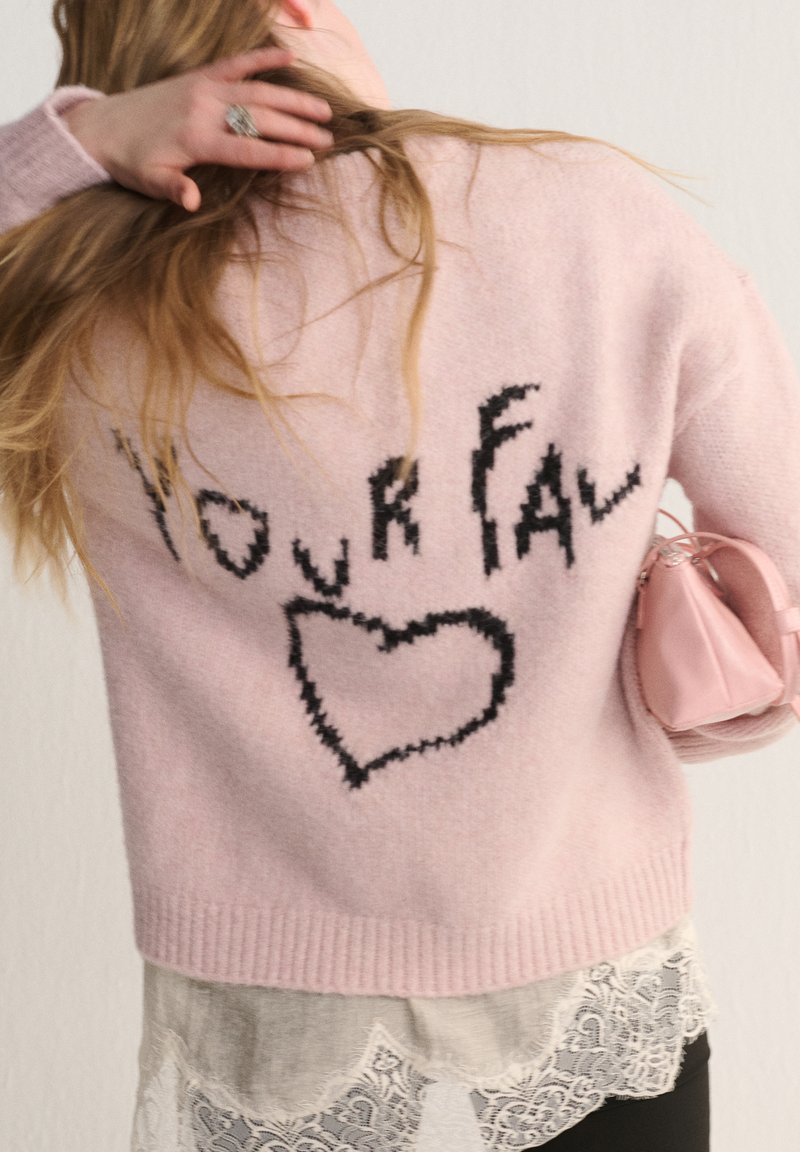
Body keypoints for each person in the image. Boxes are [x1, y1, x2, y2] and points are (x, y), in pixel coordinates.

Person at [2, 2, 799, 1149]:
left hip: (267, 997)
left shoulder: (67, 300)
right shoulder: (596, 217)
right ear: (292, 13)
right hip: (591, 949)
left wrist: (70, 143)